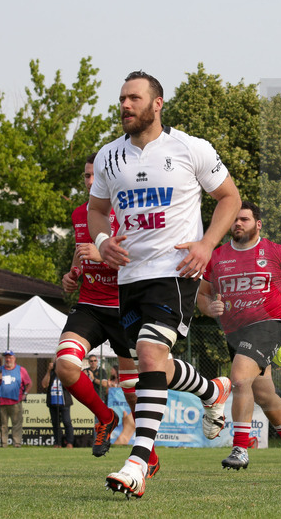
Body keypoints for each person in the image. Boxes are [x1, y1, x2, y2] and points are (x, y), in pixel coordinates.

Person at [90, 71, 241, 498]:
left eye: (134, 98)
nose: (125, 105)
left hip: (176, 272)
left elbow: (230, 197)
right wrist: (102, 242)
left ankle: (138, 462)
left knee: (150, 353)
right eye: (121, 98)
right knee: (153, 362)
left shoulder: (191, 148)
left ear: (157, 104)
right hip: (129, 276)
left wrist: (208, 245)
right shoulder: (108, 157)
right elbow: (96, 210)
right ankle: (213, 389)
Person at [57, 152, 160, 472]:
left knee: (133, 392)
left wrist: (102, 255)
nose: (90, 181)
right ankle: (106, 417)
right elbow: (79, 260)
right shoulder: (79, 214)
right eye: (86, 176)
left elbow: (140, 260)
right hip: (89, 305)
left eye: (94, 176)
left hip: (124, 308)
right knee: (65, 365)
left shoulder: (129, 211)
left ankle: (148, 458)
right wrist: (70, 277)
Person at [198, 201, 281, 473]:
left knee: (239, 378)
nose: (237, 224)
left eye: (245, 219)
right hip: (234, 333)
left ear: (257, 224)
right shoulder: (217, 256)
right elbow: (202, 295)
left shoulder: (275, 251)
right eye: (234, 220)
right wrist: (209, 306)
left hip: (267, 324)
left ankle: (240, 447)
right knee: (264, 394)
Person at [0, 350, 31, 448]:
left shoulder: (21, 370)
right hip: (1, 401)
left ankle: (16, 443)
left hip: (15, 401)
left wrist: (25, 393)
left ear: (14, 358)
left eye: (10, 357)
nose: (8, 359)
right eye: (6, 358)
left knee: (16, 424)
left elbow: (29, 383)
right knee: (2, 424)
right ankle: (3, 443)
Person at [41, 360, 74, 448]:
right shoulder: (51, 374)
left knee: (67, 422)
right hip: (53, 402)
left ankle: (69, 442)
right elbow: (44, 385)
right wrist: (49, 371)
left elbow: (70, 384)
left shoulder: (65, 372)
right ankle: (57, 442)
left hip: (64, 401)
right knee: (55, 423)